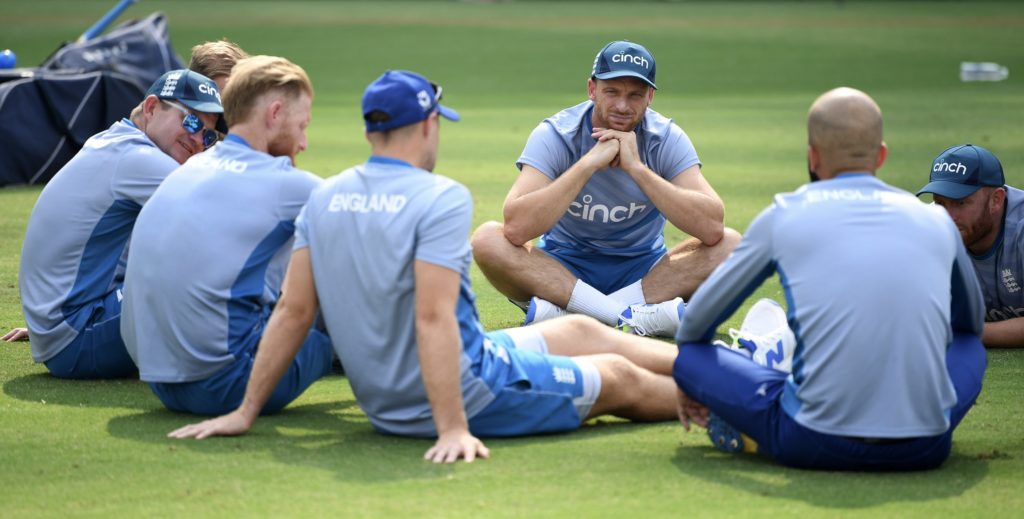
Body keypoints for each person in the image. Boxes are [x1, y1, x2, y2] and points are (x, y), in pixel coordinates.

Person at [167, 70, 681, 463]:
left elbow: (294, 312)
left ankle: (732, 365)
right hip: (459, 391)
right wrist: (453, 426)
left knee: (578, 331)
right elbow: (435, 318)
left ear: (372, 130)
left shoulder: (326, 195)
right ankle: (744, 400)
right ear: (429, 124)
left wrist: (245, 411)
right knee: (617, 377)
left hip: (393, 393)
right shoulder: (440, 198)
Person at [673, 87, 987, 471]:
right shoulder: (938, 221)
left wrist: (695, 384)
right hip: (924, 448)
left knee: (689, 357)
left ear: (813, 156)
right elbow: (970, 327)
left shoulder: (783, 215)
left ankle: (760, 414)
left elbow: (695, 328)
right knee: (971, 347)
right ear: (882, 155)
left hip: (810, 442)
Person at [470, 40, 740, 338]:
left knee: (732, 246)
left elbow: (713, 227)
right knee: (487, 239)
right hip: (562, 271)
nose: (623, 106)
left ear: (650, 96)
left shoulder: (665, 137)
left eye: (634, 95)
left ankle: (574, 316)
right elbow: (516, 227)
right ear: (592, 89)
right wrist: (587, 165)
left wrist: (637, 169)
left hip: (645, 275)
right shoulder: (556, 134)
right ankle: (630, 317)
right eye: (612, 92)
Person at [120, 55, 333, 415]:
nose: (304, 142)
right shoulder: (284, 185)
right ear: (275, 113)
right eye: (302, 125)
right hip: (226, 384)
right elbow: (369, 222)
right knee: (345, 274)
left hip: (160, 383)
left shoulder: (187, 169)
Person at [1, 70, 226, 379]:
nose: (199, 139)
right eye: (191, 122)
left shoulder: (114, 142)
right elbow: (227, 217)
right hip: (76, 338)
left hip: (63, 326)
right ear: (150, 108)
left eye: (209, 135)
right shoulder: (136, 159)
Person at [917, 144, 1023, 348]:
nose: (947, 216)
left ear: (996, 200)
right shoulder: (928, 228)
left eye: (960, 203)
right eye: (940, 203)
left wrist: (967, 332)